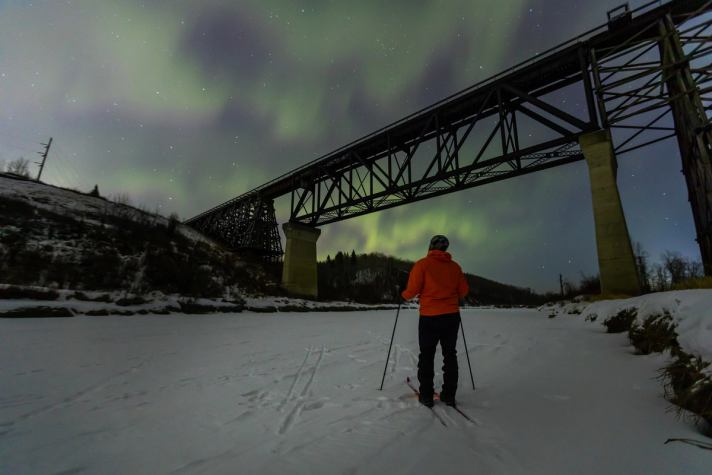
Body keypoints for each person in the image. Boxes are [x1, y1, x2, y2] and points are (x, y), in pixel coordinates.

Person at [401, 235, 469, 407]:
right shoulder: (455, 267)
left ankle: (426, 395)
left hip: (429, 317)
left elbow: (412, 290)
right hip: (451, 317)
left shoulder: (422, 265)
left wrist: (402, 296)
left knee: (427, 355)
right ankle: (449, 395)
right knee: (450, 354)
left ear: (431, 247)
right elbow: (463, 291)